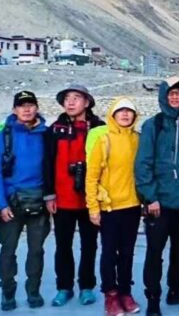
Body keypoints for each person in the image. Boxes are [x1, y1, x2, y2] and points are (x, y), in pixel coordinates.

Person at [135, 77, 179, 315]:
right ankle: (153, 298)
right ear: (164, 96)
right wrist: (150, 197)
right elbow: (143, 164)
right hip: (159, 202)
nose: (175, 97)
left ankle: (177, 289)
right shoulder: (153, 125)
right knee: (155, 252)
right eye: (171, 93)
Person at [0, 90, 56, 311]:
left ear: (37, 107)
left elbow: (52, 169)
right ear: (14, 109)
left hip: (39, 200)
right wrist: (0, 204)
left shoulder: (46, 134)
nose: (26, 109)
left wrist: (50, 197)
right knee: (8, 250)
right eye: (21, 105)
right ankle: (8, 292)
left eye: (30, 105)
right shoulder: (3, 136)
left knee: (36, 250)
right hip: (11, 202)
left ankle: (33, 291)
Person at [48, 84, 105, 307]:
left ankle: (87, 286)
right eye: (67, 99)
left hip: (90, 200)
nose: (70, 102)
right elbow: (46, 163)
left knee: (89, 245)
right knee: (63, 245)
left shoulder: (99, 128)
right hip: (62, 199)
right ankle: (64, 287)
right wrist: (49, 195)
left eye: (76, 97)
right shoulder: (54, 129)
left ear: (87, 102)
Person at [85, 97, 143, 316]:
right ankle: (110, 295)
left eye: (129, 111)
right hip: (109, 207)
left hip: (132, 205)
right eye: (121, 111)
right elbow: (92, 177)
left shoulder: (138, 139)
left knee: (127, 253)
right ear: (113, 115)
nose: (125, 115)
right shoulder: (104, 140)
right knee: (109, 252)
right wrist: (93, 207)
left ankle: (125, 292)